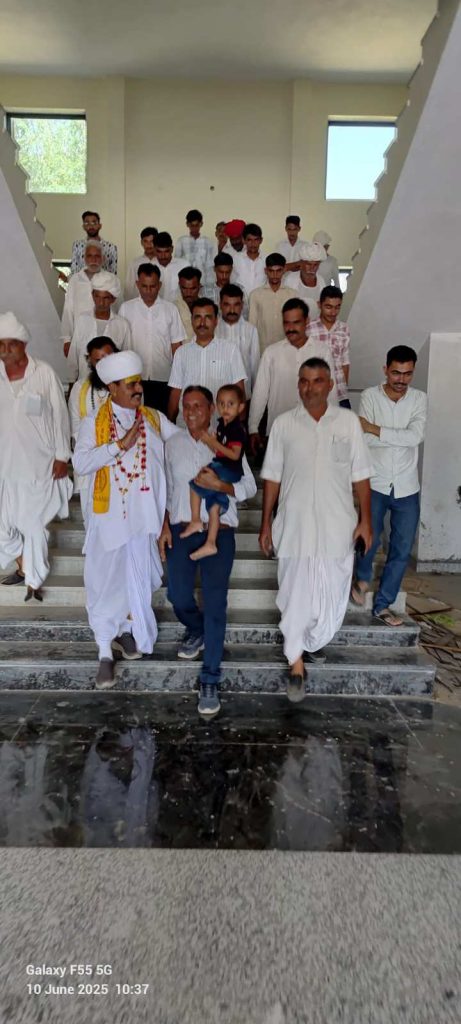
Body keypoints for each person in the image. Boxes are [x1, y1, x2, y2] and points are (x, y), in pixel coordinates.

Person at [259, 357, 372, 701]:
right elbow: (272, 477)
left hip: (337, 525)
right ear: (298, 384)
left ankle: (312, 639)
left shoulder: (348, 423)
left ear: (330, 384)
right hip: (294, 525)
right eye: (304, 381)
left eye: (317, 380)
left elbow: (361, 474)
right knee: (294, 594)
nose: (310, 388)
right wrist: (265, 524)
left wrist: (366, 520)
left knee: (331, 594)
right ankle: (295, 662)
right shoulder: (283, 424)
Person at [73, 350, 178, 689]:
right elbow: (81, 463)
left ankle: (128, 631)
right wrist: (119, 445)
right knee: (105, 582)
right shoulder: (93, 423)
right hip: (108, 520)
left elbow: (181, 444)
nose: (138, 389)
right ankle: (105, 650)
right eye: (130, 384)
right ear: (113, 388)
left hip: (144, 520)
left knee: (139, 578)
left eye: (138, 382)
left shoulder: (153, 419)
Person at [159, 385, 257, 717]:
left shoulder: (225, 440)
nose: (191, 412)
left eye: (198, 406)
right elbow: (166, 489)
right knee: (177, 595)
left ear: (212, 409)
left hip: (221, 531)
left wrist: (221, 486)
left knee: (215, 605)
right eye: (186, 406)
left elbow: (249, 486)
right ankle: (196, 628)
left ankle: (210, 678)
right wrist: (163, 526)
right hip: (182, 529)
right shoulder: (172, 444)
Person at [352, 345, 427, 627]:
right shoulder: (370, 396)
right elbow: (365, 440)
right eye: (396, 372)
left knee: (401, 548)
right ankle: (361, 578)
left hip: (407, 486)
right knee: (367, 538)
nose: (401, 379)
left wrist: (373, 428)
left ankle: (383, 605)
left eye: (407, 374)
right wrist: (391, 436)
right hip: (375, 481)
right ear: (385, 369)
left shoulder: (419, 399)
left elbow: (415, 437)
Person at [0, 312, 71, 602]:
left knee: (33, 524)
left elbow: (60, 416)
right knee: (2, 528)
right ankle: (24, 563)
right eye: (1, 345)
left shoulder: (43, 373)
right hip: (5, 465)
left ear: (24, 345)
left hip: (39, 464)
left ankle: (34, 580)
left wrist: (62, 455)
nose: (6, 351)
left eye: (12, 344)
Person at [248, 298, 337, 454]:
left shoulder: (322, 351)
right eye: (286, 323)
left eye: (296, 323)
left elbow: (331, 393)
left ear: (306, 321)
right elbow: (260, 392)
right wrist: (253, 427)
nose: (290, 328)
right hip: (278, 433)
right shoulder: (271, 353)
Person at [180, 384, 247, 561]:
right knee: (214, 506)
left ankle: (195, 520)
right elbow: (219, 451)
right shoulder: (223, 425)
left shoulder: (236, 429)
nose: (226, 408)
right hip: (223, 465)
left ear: (241, 407)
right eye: (222, 404)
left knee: (196, 483)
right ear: (216, 406)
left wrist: (213, 442)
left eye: (231, 404)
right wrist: (210, 443)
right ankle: (210, 543)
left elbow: (234, 455)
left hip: (230, 470)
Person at [119, 263, 186, 414]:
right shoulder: (126, 309)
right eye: (144, 286)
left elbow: (177, 346)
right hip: (134, 377)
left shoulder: (170, 309)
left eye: (153, 286)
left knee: (161, 420)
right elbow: (121, 345)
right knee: (135, 419)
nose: (148, 291)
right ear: (137, 284)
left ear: (159, 285)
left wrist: (179, 377)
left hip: (164, 376)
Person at [167, 297, 246, 423]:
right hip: (186, 427)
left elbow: (239, 392)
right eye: (198, 317)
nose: (202, 323)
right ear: (192, 321)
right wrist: (169, 425)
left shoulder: (231, 350)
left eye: (208, 317)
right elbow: (175, 393)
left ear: (216, 321)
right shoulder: (181, 353)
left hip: (220, 426)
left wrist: (240, 427)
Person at [68, 337, 119, 522]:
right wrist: (99, 450)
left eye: (107, 358)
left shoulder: (128, 386)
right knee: (91, 522)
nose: (103, 364)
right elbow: (75, 426)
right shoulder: (79, 388)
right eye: (98, 360)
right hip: (89, 465)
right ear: (90, 361)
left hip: (120, 466)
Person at [65, 271, 129, 378]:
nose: (101, 302)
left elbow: (126, 358)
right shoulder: (82, 320)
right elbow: (74, 355)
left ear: (113, 299)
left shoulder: (122, 325)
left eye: (105, 298)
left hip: (111, 382)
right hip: (84, 381)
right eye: (97, 297)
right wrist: (72, 380)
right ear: (92, 295)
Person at [309, 285, 351, 408]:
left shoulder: (344, 328)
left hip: (340, 393)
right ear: (319, 305)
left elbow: (345, 363)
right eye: (328, 307)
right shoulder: (309, 329)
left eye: (337, 307)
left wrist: (344, 388)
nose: (333, 312)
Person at [218, 284, 260, 404]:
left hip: (243, 395)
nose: (232, 310)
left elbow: (255, 366)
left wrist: (256, 397)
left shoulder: (251, 330)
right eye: (227, 305)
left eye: (236, 305)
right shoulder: (213, 330)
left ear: (242, 305)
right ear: (220, 305)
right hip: (217, 392)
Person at [248, 252, 298, 352]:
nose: (275, 275)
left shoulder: (293, 295)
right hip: (263, 350)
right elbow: (252, 327)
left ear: (284, 270)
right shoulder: (255, 295)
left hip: (286, 349)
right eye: (271, 271)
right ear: (266, 271)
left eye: (278, 271)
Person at [61, 242, 104, 352]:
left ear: (102, 258)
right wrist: (67, 339)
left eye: (97, 256)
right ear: (84, 258)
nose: (93, 260)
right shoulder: (75, 280)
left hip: (104, 337)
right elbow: (68, 309)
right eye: (90, 256)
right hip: (79, 337)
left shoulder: (110, 280)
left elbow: (116, 309)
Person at [71, 211, 118, 275]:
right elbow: (74, 272)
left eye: (94, 223)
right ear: (83, 227)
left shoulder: (111, 247)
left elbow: (113, 273)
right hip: (82, 281)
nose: (91, 226)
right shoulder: (77, 246)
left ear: (100, 226)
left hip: (104, 281)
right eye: (87, 223)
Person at [284, 242, 327, 310]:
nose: (312, 268)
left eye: (315, 265)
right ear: (301, 263)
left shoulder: (321, 281)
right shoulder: (291, 279)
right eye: (309, 264)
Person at [175, 209, 214, 280]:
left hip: (202, 280)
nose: (194, 228)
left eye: (197, 225)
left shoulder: (208, 242)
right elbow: (177, 262)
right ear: (187, 224)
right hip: (186, 280)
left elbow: (210, 265)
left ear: (201, 224)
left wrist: (209, 282)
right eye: (192, 226)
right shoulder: (181, 241)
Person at [232, 223, 266, 295]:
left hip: (261, 300)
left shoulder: (266, 259)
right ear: (243, 240)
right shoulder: (235, 259)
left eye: (256, 240)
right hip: (240, 300)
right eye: (249, 240)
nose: (253, 244)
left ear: (261, 240)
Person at [153, 231, 188, 302]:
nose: (163, 256)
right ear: (154, 250)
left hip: (179, 307)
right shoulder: (150, 267)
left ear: (172, 249)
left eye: (166, 251)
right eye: (159, 252)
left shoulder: (184, 266)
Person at [124, 227, 158, 299]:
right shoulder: (134, 264)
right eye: (145, 241)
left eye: (151, 241)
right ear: (141, 243)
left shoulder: (162, 263)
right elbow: (129, 289)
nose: (149, 245)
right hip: (139, 303)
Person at [174, 266, 203, 341]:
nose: (188, 293)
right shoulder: (173, 308)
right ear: (179, 286)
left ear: (200, 286)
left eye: (193, 288)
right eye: (184, 288)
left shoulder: (207, 308)